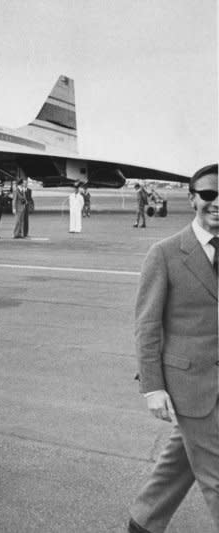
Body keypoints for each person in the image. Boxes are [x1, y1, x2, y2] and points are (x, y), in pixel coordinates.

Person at [127, 163, 219, 533]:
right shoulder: (164, 253)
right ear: (192, 198)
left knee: (180, 462)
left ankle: (143, 522)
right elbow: (147, 326)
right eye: (208, 195)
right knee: (216, 475)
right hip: (190, 383)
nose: (216, 203)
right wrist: (153, 387)